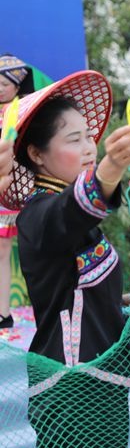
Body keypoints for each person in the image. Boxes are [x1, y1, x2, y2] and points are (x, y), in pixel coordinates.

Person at [6, 70, 130, 448]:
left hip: (99, 379)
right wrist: (110, 168)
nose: (90, 146)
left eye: (92, 137)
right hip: (71, 385)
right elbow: (74, 209)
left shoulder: (77, 219)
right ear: (37, 154)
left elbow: (77, 288)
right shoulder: (39, 214)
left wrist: (125, 302)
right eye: (76, 139)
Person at [0, 54, 35, 328]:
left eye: (4, 83)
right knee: (1, 249)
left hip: (20, 188)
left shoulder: (27, 110)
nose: (0, 88)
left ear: (18, 85)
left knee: (30, 248)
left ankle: (43, 304)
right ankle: (3, 312)